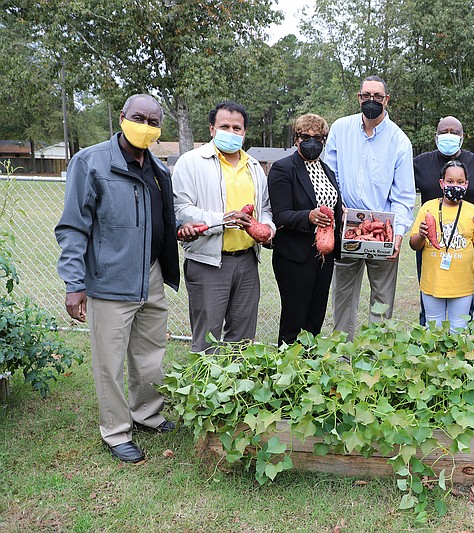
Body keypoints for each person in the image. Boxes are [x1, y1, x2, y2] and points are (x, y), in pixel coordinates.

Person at [55, 94, 182, 463]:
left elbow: (161, 221)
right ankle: (115, 431)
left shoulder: (158, 169)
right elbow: (73, 228)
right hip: (109, 281)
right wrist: (74, 284)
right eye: (138, 117)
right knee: (109, 363)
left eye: (153, 121)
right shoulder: (92, 163)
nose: (145, 125)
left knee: (150, 355)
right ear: (123, 117)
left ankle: (146, 414)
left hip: (151, 276)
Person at [173, 101, 275, 353]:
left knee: (242, 337)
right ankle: (204, 390)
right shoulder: (192, 162)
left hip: (247, 261)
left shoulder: (253, 167)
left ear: (244, 132)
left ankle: (236, 389)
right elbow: (180, 208)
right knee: (208, 336)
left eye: (237, 128)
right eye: (224, 126)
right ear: (211, 129)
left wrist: (266, 229)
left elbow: (266, 208)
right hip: (209, 261)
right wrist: (222, 219)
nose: (231, 132)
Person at [323, 75, 415, 339]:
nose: (371, 101)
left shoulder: (399, 141)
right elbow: (332, 175)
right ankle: (342, 355)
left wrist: (397, 234)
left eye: (377, 97)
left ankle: (378, 358)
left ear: (386, 100)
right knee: (342, 295)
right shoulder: (341, 129)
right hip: (348, 226)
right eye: (366, 96)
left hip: (382, 231)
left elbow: (403, 196)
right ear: (359, 97)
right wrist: (338, 209)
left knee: (382, 299)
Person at [413, 115, 474, 324]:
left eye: (454, 132)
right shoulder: (420, 163)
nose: (449, 136)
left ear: (462, 137)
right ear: (436, 136)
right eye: (444, 132)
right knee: (429, 313)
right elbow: (396, 183)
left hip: (463, 250)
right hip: (430, 250)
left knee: (462, 316)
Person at [267, 114, 343, 345]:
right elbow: (280, 215)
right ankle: (288, 371)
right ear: (296, 139)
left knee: (315, 318)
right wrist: (309, 216)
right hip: (294, 255)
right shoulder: (283, 169)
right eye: (306, 137)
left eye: (318, 138)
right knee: (294, 319)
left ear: (324, 140)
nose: (312, 142)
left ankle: (311, 369)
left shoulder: (327, 170)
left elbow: (334, 205)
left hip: (324, 254)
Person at [408, 160, 474, 330]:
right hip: (432, 284)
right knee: (433, 329)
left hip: (463, 286)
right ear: (441, 183)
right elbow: (414, 245)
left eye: (460, 182)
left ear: (466, 185)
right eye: (450, 181)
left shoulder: (472, 211)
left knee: (459, 329)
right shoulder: (428, 208)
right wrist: (422, 235)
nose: (455, 185)